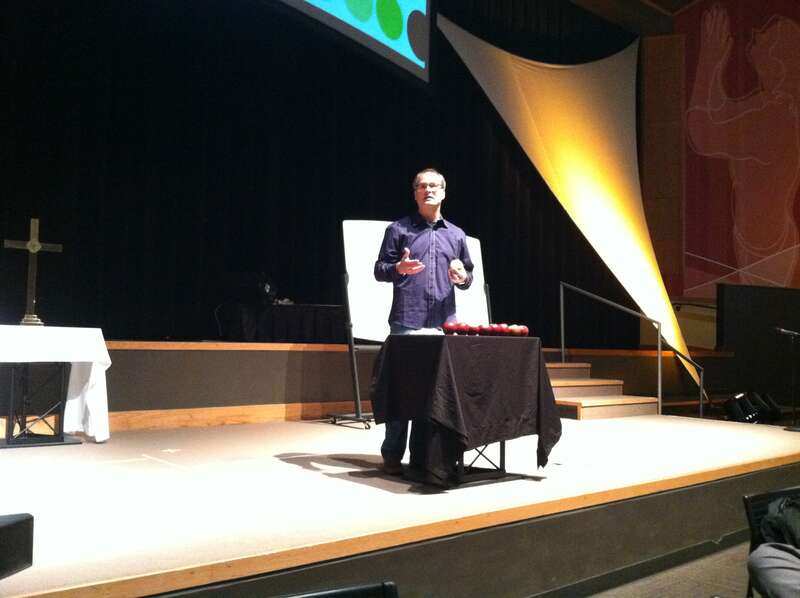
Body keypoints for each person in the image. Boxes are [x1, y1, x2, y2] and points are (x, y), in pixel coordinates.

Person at [373, 167, 474, 474]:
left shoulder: (456, 234)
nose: (429, 190)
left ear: (443, 192)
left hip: (443, 322)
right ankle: (392, 455)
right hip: (407, 320)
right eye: (422, 186)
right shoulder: (398, 229)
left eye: (434, 185)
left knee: (431, 394)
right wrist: (398, 269)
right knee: (402, 389)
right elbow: (380, 269)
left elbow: (468, 274)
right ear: (415, 193)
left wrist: (463, 277)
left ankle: (420, 456)